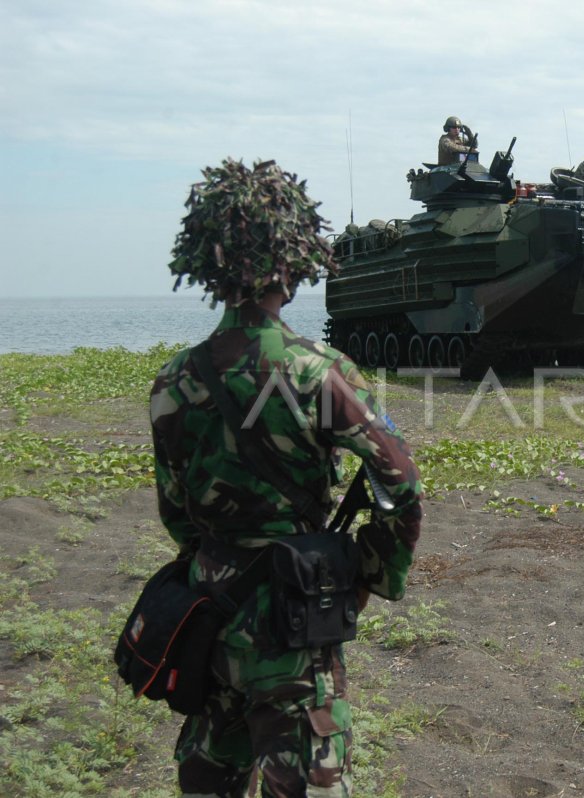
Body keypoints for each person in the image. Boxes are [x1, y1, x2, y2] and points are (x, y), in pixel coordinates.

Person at [152, 158, 423, 795]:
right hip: (294, 619)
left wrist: (215, 559)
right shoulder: (317, 371)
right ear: (296, 259)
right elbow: (400, 480)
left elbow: (174, 510)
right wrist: (370, 575)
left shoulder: (174, 382)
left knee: (209, 774)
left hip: (208, 609)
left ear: (209, 260)